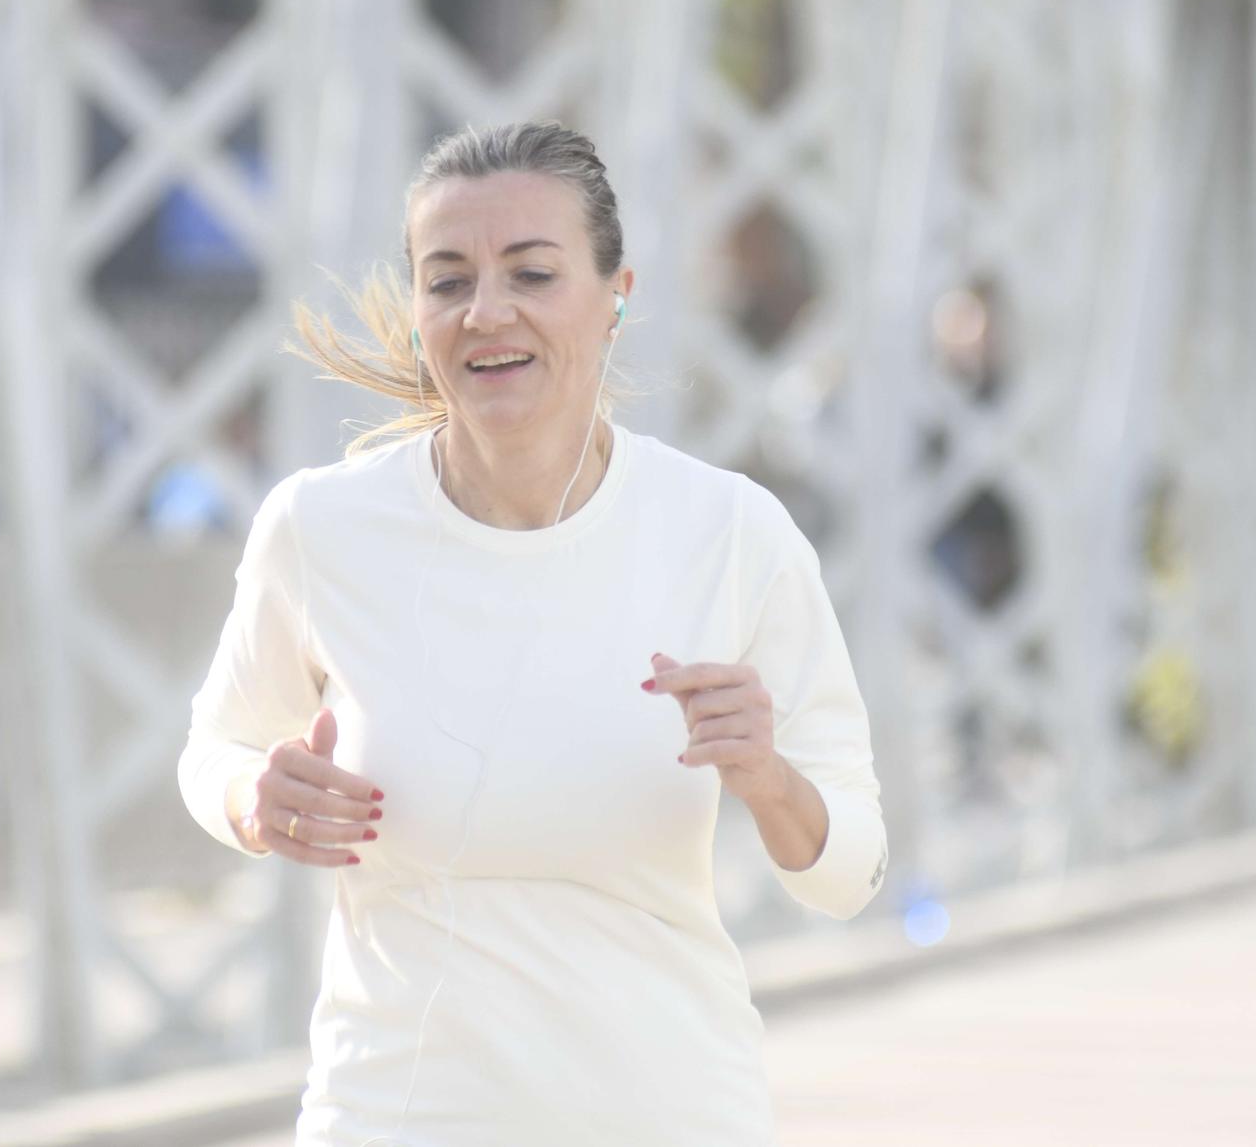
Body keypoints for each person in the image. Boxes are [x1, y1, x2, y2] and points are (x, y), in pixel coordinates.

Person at [178, 121, 887, 1146]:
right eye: (447, 278)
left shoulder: (727, 533)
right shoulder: (321, 526)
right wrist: (253, 798)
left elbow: (849, 873)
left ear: (616, 296)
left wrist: (769, 778)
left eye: (532, 272)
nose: (486, 312)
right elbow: (217, 749)